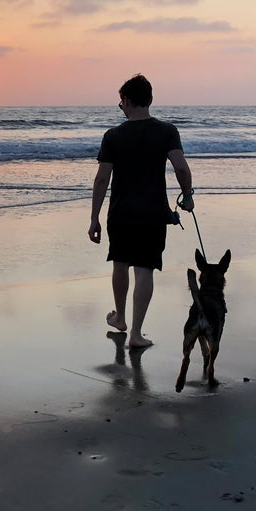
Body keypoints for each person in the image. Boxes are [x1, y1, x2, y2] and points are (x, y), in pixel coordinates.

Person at [88, 74, 193, 348]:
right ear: (150, 100)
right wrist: (188, 196)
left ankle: (120, 317)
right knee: (144, 270)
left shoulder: (112, 136)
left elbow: (101, 179)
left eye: (120, 102)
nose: (120, 107)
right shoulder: (167, 131)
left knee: (120, 263)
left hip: (121, 213)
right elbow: (181, 167)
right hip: (153, 212)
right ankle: (135, 334)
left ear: (126, 101)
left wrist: (94, 218)